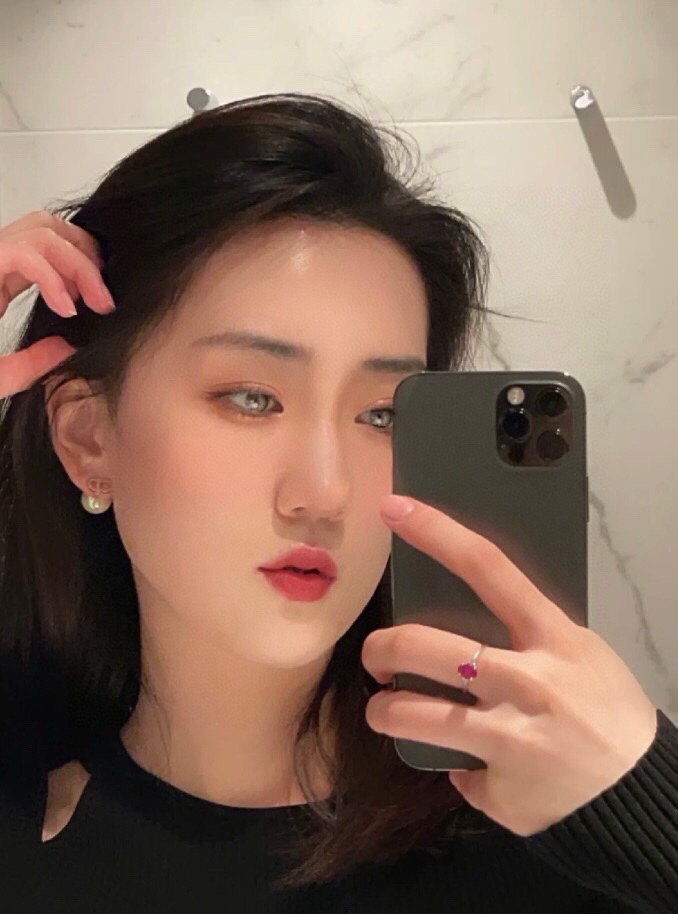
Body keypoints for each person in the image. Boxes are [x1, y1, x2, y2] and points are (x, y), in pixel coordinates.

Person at [0, 93, 675, 913]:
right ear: (87, 438)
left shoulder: (551, 840)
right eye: (252, 398)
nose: (325, 493)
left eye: (384, 415)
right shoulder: (24, 836)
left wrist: (651, 808)